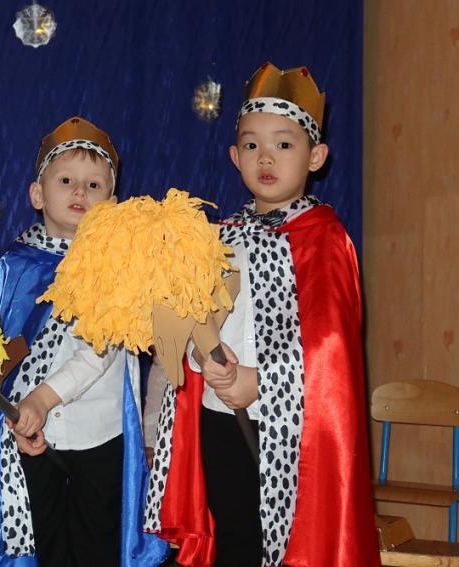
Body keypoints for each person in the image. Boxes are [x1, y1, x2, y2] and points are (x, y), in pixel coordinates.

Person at [146, 62, 381, 567]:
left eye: (284, 144)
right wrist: (201, 358)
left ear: (315, 157)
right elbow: (192, 314)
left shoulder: (324, 238)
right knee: (233, 534)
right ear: (235, 157)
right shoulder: (219, 237)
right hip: (218, 415)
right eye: (251, 145)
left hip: (292, 431)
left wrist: (261, 381)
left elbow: (330, 345)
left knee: (284, 541)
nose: (266, 157)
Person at [0, 116, 168, 567]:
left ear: (112, 203)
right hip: (32, 435)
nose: (79, 192)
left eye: (94, 185)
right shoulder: (15, 264)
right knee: (43, 545)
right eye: (66, 181)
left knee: (95, 546)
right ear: (37, 194)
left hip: (99, 434)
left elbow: (100, 352)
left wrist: (43, 398)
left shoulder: (117, 267)